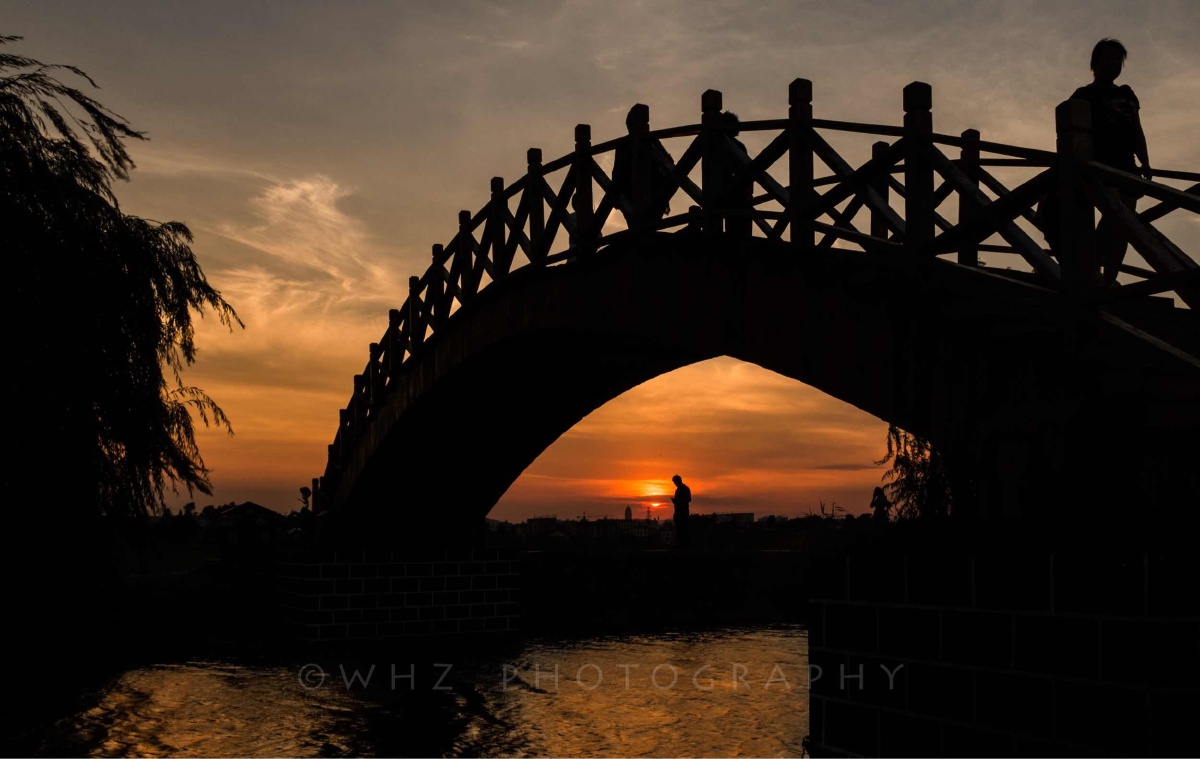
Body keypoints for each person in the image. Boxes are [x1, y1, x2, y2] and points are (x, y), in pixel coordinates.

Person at [1070, 38, 1152, 287]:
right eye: (1107, 57)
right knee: (1115, 217)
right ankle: (1091, 269)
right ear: (1094, 63)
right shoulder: (1083, 95)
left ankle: (1110, 278)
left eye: (1118, 59)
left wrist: (1145, 161)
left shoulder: (1126, 94)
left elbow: (1137, 129)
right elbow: (1073, 132)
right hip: (1099, 166)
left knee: (1125, 227)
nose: (1113, 63)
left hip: (1127, 166)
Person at [611, 104, 676, 229]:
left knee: (643, 226)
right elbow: (669, 161)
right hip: (638, 193)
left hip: (649, 192)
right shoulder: (629, 144)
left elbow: (668, 161)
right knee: (644, 226)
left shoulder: (626, 144)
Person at [719, 111, 754, 237]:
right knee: (739, 227)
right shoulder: (737, 146)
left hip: (730, 189)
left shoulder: (721, 145)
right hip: (736, 190)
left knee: (732, 225)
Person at [671, 474, 692, 549]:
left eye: (675, 482)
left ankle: (683, 547)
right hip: (679, 513)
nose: (675, 484)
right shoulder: (679, 489)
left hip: (682, 513)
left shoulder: (684, 489)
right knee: (680, 530)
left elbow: (689, 499)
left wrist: (679, 501)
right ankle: (681, 546)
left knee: (682, 530)